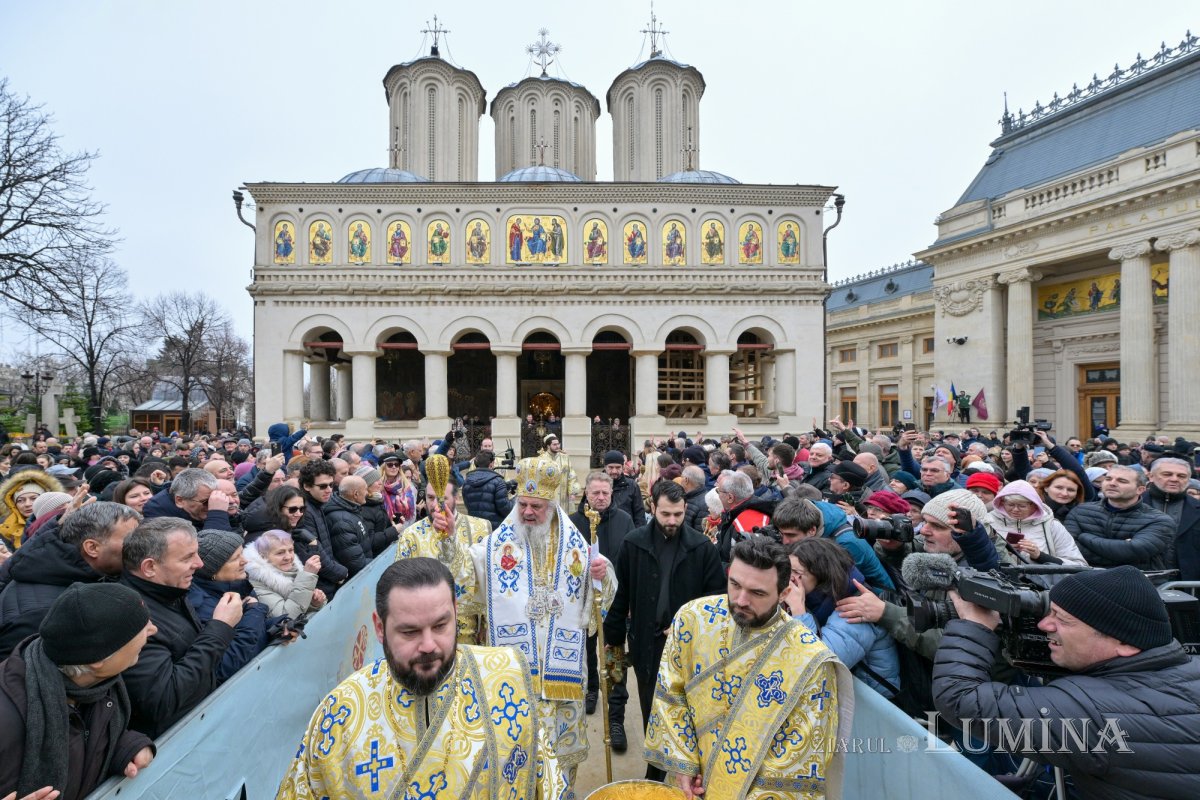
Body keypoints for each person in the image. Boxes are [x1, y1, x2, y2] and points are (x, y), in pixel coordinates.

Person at [276, 558, 561, 799]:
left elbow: (546, 781)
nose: (428, 645)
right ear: (380, 627)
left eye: (440, 625)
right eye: (409, 632)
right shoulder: (340, 713)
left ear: (455, 611)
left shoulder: (505, 678)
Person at [935, 566, 1200, 800]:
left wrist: (973, 626)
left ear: (1124, 642)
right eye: (1050, 612)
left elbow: (960, 699)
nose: (1043, 624)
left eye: (1062, 619)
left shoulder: (1095, 712)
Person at [644, 537, 851, 799]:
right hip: (688, 786)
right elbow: (671, 693)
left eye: (757, 593)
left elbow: (796, 760)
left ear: (784, 593)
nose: (741, 600)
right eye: (735, 584)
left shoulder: (809, 661)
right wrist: (683, 764)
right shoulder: (693, 618)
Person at [468, 457, 614, 794]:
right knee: (516, 757)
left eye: (536, 506)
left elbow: (600, 592)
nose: (528, 512)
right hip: (517, 677)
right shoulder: (498, 544)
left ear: (551, 506)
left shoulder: (574, 544)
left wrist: (601, 575)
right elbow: (467, 570)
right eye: (522, 505)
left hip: (562, 677)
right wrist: (448, 540)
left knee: (561, 761)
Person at [604, 480, 724, 779]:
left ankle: (686, 772)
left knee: (685, 712)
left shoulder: (701, 548)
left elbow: (715, 601)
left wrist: (689, 626)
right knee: (652, 710)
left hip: (688, 650)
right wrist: (613, 638)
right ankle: (655, 772)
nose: (672, 521)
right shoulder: (633, 543)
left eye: (678, 514)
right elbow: (621, 593)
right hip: (647, 644)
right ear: (653, 508)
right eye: (666, 514)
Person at [0, 583, 157, 800]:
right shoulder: (6, 722)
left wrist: (126, 747)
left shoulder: (97, 684)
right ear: (98, 660)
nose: (153, 629)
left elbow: (82, 736)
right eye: (139, 628)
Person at [118, 518, 241, 737]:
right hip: (180, 740)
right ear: (149, 567)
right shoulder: (132, 617)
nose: (199, 564)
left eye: (196, 553)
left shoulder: (171, 590)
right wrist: (220, 627)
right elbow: (163, 700)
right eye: (187, 558)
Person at [0, 503, 141, 659]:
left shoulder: (82, 575)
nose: (140, 545)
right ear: (92, 548)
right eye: (131, 539)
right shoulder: (41, 615)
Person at [782, 538, 900, 698]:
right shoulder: (816, 599)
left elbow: (820, 665)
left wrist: (798, 610)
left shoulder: (857, 608)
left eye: (797, 573)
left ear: (822, 574)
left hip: (876, 702)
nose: (789, 578)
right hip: (846, 693)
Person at [567, 472, 635, 730]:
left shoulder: (624, 520)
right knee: (587, 651)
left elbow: (630, 560)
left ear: (611, 494)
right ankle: (591, 690)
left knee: (614, 655)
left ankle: (616, 716)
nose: (601, 497)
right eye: (595, 492)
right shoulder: (572, 522)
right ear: (586, 493)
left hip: (616, 603)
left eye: (605, 493)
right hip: (583, 602)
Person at [395, 470, 492, 642]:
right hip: (427, 630)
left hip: (470, 630)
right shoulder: (411, 535)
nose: (435, 505)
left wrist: (487, 624)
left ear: (456, 498)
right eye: (431, 498)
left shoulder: (480, 528)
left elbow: (488, 581)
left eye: (442, 499)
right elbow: (400, 585)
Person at [187, 530, 270, 683]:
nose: (244, 561)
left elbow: (250, 630)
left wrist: (278, 627)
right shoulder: (199, 606)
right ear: (212, 570)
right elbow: (229, 663)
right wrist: (256, 611)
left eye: (242, 554)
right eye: (235, 558)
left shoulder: (239, 586)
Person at [1064, 465, 1174, 569]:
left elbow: (1131, 552)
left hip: (1137, 580)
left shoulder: (1159, 520)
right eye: (1108, 479)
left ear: (1140, 490)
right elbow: (1069, 548)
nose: (1112, 483)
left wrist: (1084, 537)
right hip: (1086, 577)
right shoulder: (1080, 511)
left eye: (1122, 481)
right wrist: (1118, 553)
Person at [987, 480, 1087, 566]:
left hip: (1042, 582)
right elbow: (979, 558)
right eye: (1010, 505)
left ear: (1035, 505)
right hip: (996, 580)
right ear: (1002, 502)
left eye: (1022, 506)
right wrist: (1003, 552)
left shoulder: (1051, 525)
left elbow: (1079, 565)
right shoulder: (989, 522)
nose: (1015, 509)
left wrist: (1039, 556)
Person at [244, 530, 325, 619]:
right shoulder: (256, 582)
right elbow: (285, 616)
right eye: (280, 553)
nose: (288, 557)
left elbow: (298, 606)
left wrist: (314, 603)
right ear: (263, 556)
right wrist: (307, 577)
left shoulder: (294, 568)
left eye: (291, 550)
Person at [1145, 457, 1200, 579]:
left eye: (1181, 476)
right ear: (1151, 476)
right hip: (1138, 581)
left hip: (1188, 583)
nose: (1174, 479)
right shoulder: (1131, 504)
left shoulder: (1197, 508)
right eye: (1167, 474)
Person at [0, 471, 64, 551]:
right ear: (13, 504)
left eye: (33, 498)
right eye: (20, 500)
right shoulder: (5, 528)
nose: (27, 504)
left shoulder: (61, 520)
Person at [460, 451, 513, 529]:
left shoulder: (467, 481)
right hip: (494, 529)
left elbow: (468, 504)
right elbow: (505, 509)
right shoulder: (498, 481)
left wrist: (505, 486)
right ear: (491, 464)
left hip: (475, 529)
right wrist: (515, 501)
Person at [538, 434, 580, 509]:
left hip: (563, 496)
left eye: (558, 444)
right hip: (547, 496)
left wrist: (572, 492)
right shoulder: (541, 459)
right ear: (548, 446)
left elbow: (571, 475)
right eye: (554, 444)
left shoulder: (565, 457)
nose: (557, 446)